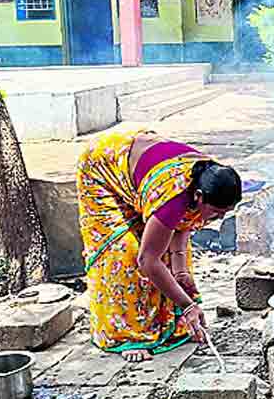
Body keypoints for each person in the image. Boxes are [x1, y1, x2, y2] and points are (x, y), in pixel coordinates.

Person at [77, 129, 242, 362]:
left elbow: (185, 220)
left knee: (166, 251)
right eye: (216, 212)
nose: (219, 218)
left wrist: (180, 269)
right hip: (103, 167)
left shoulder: (209, 175)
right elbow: (147, 260)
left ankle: (167, 325)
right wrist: (187, 305)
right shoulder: (172, 198)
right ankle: (127, 335)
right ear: (199, 196)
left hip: (145, 175)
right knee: (126, 252)